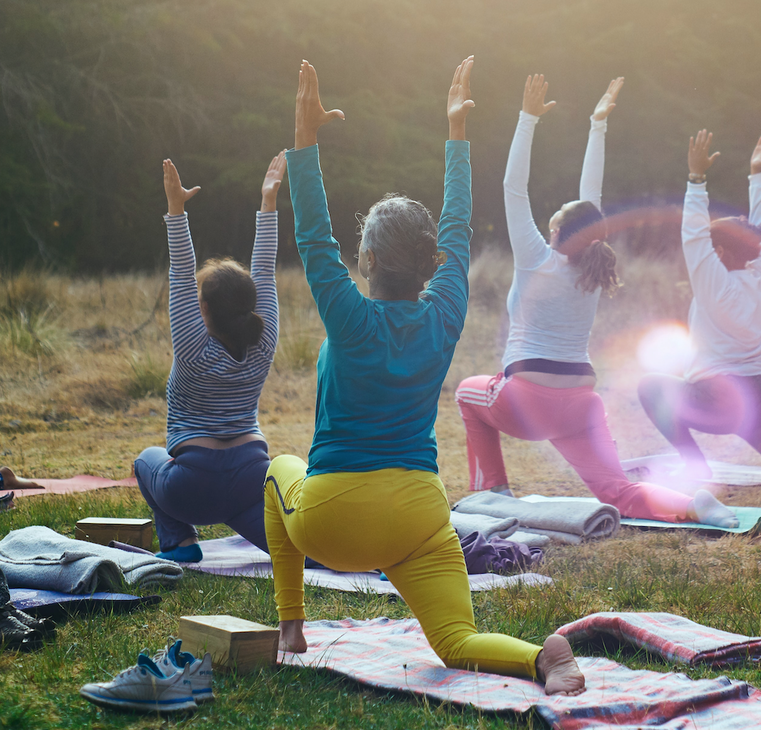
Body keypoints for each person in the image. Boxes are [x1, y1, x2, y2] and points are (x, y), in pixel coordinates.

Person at [264, 58, 584, 695]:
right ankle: (540, 658)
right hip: (418, 515)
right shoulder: (444, 316)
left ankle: (291, 625)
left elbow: (313, 237)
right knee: (455, 642)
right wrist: (457, 138)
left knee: (277, 466)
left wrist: (305, 144)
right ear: (430, 261)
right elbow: (459, 232)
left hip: (334, 522)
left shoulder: (349, 316)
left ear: (371, 260)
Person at [455, 75, 738, 528]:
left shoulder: (536, 258)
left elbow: (514, 186)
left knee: (467, 393)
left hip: (525, 401)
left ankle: (494, 492)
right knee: (617, 490)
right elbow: (593, 200)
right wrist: (597, 125)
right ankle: (695, 504)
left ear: (554, 231)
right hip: (581, 403)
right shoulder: (591, 267)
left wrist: (527, 118)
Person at [636, 128, 761, 483]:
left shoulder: (712, 284)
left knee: (650, 387)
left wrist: (696, 179)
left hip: (713, 401)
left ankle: (695, 466)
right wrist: (757, 176)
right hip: (760, 402)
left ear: (719, 252)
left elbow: (693, 235)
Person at [133, 151, 286, 562]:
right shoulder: (265, 339)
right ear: (251, 306)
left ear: (202, 310)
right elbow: (266, 269)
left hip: (192, 488)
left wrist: (176, 210)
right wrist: (268, 203)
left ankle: (181, 544)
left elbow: (181, 272)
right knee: (299, 551)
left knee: (145, 461)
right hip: (252, 479)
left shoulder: (191, 347)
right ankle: (366, 556)